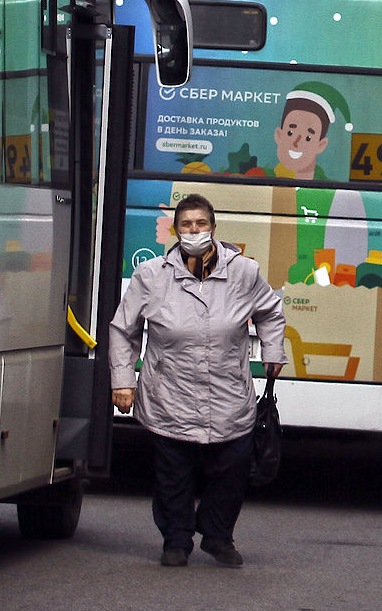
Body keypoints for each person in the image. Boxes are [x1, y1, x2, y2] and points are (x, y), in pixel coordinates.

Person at [109, 193, 286, 568]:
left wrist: (273, 352)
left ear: (213, 227)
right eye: (186, 225)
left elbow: (270, 311)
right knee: (173, 472)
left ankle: (218, 535)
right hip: (169, 390)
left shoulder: (244, 272)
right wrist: (122, 381)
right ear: (176, 230)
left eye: (201, 224)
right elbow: (124, 330)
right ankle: (176, 539)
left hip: (228, 392)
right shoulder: (152, 275)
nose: (194, 231)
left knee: (234, 466)